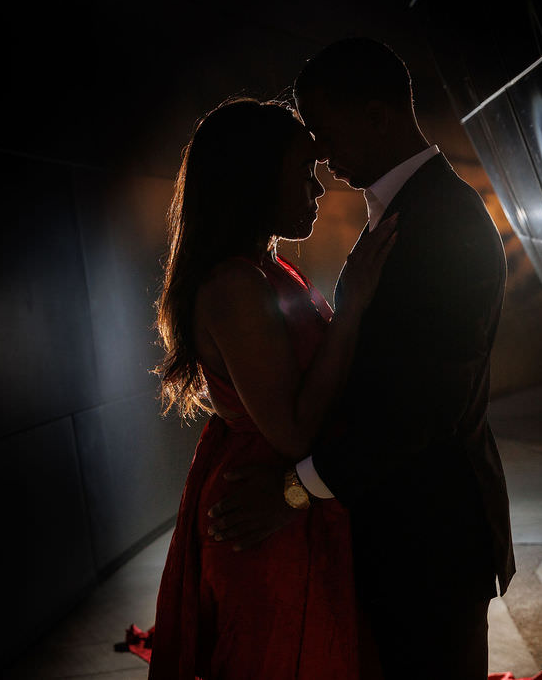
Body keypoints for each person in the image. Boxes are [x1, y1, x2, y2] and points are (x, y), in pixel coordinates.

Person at [207, 38, 516, 679]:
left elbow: (423, 409)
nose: (317, 150)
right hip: (393, 529)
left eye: (323, 129)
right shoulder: (401, 213)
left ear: (378, 116)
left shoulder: (445, 223)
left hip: (430, 537)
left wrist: (293, 492)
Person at [148, 97, 397, 679]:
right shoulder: (236, 285)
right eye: (303, 175)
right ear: (255, 180)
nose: (318, 191)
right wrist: (354, 307)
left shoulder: (267, 268)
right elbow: (292, 430)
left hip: (285, 498)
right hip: (263, 508)